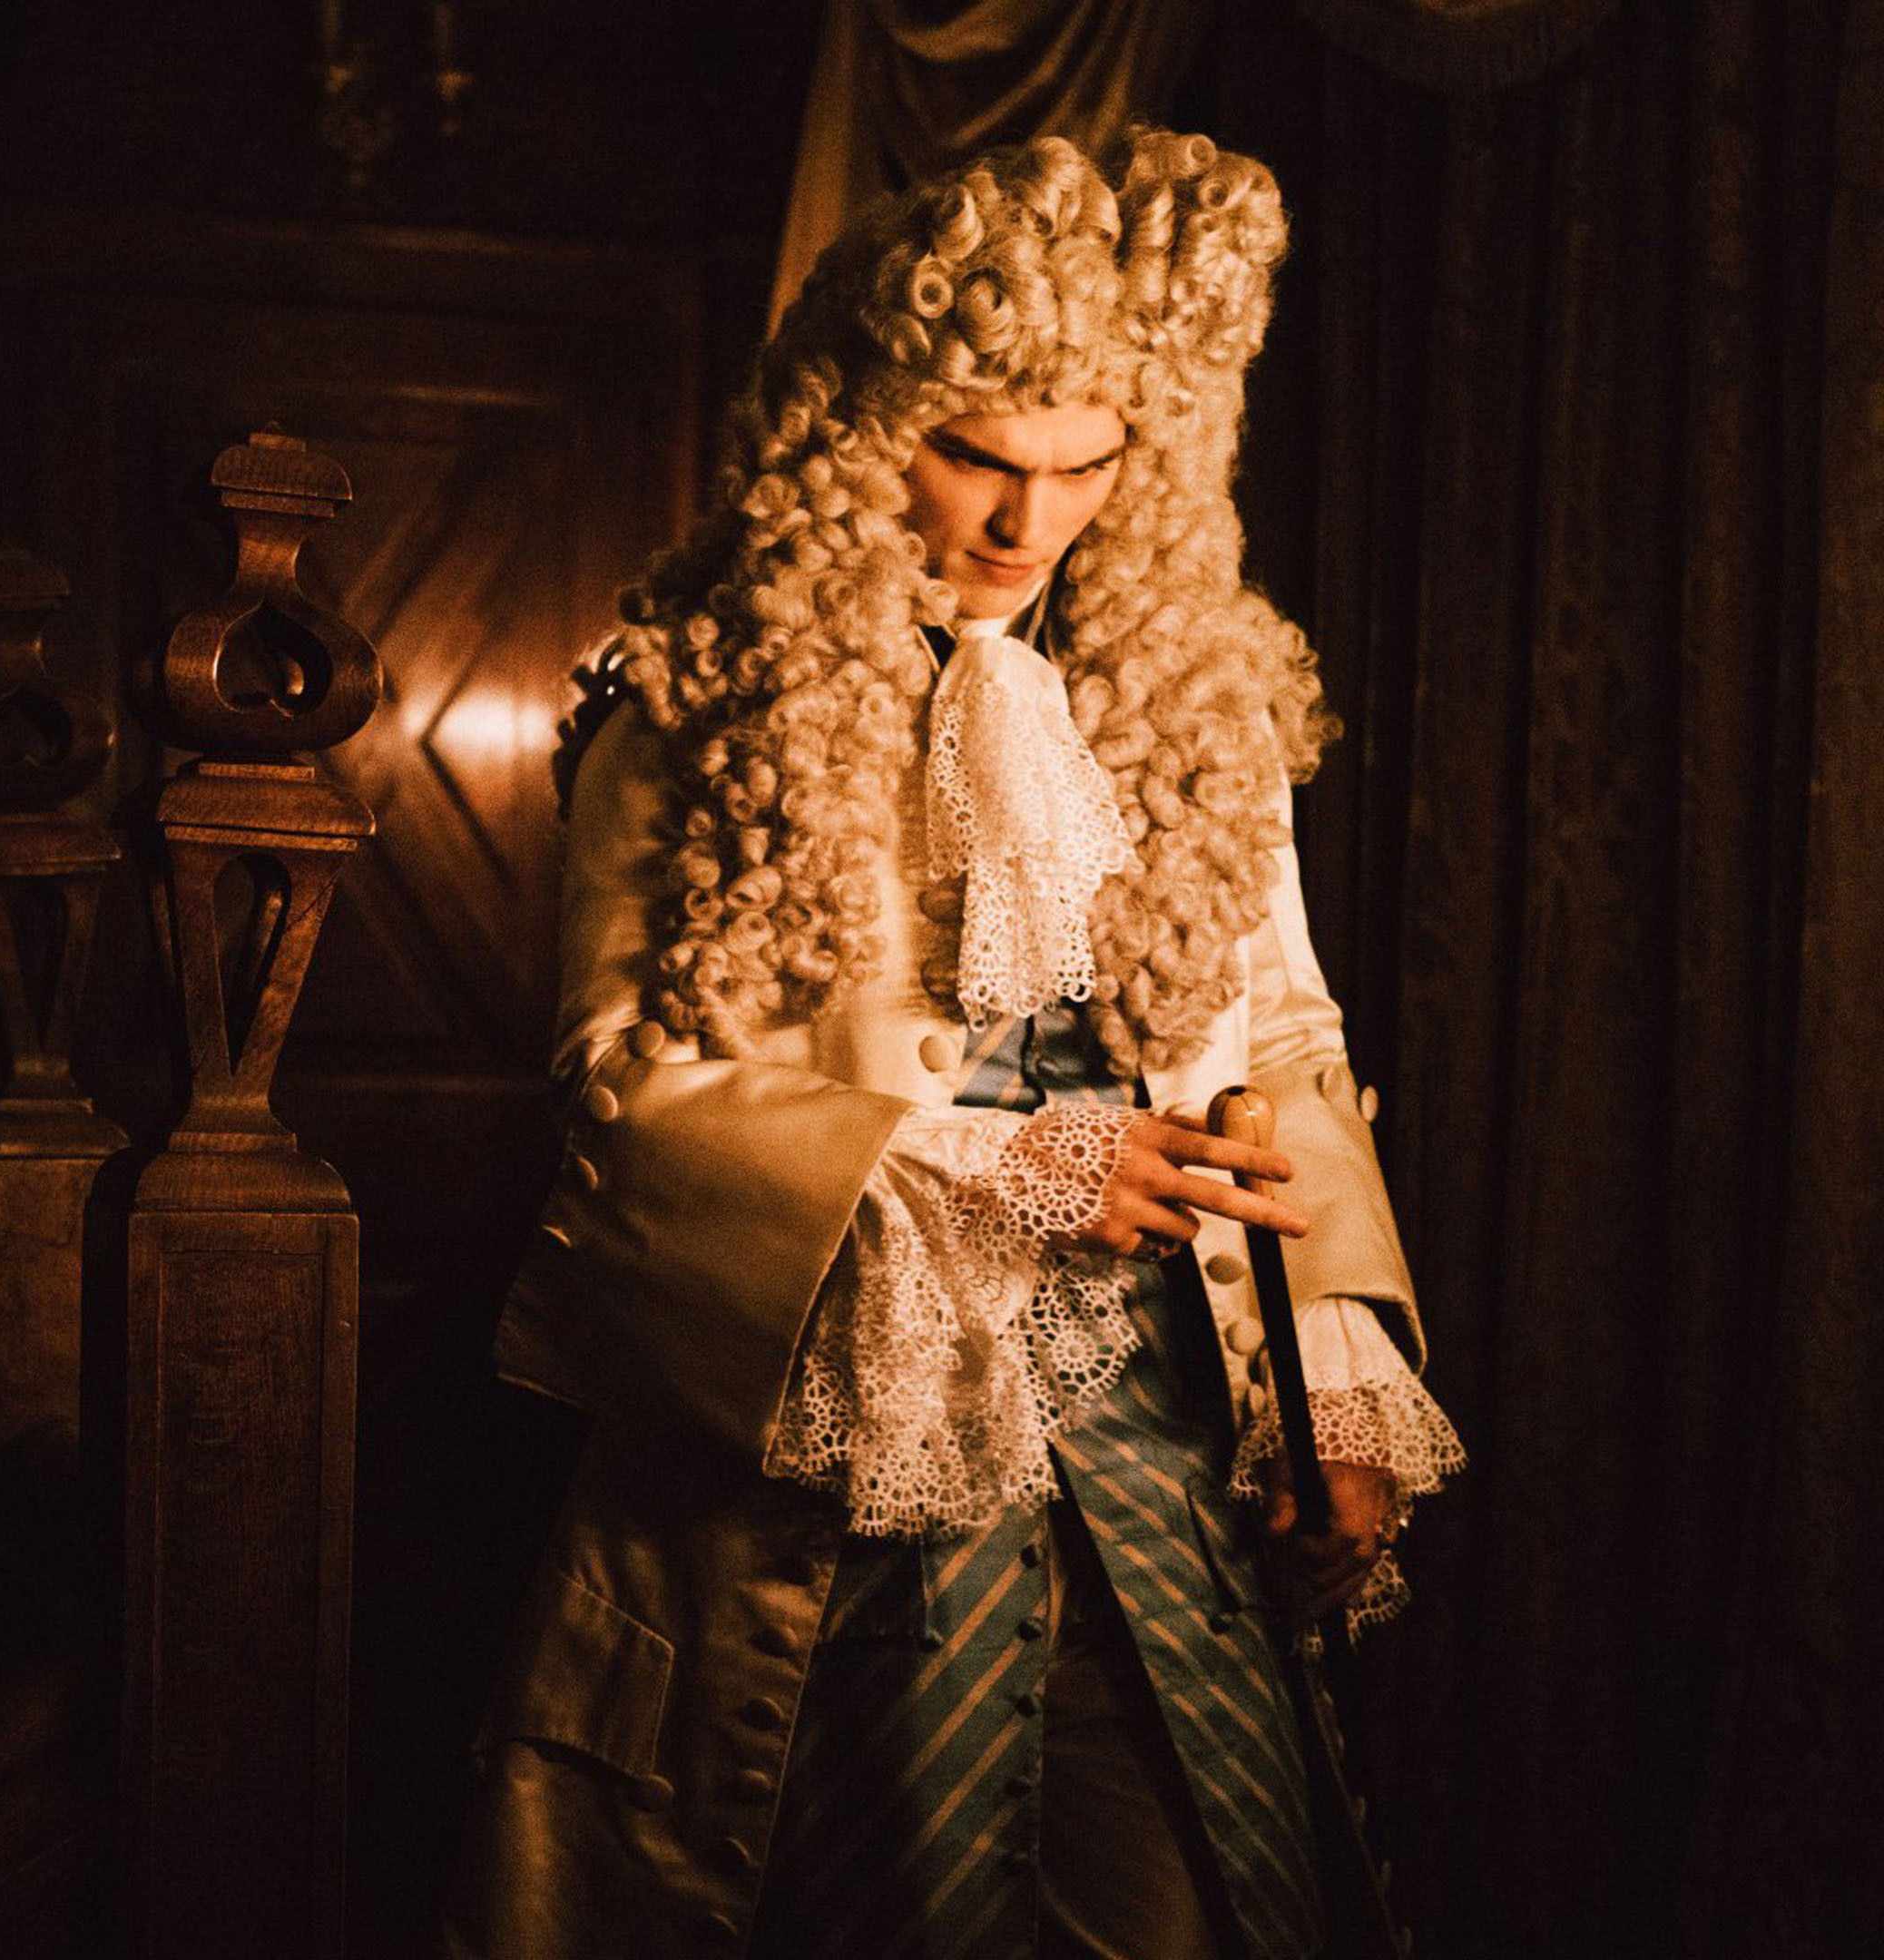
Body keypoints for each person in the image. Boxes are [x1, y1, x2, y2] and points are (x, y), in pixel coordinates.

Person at [446, 130, 1464, 1960]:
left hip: (1170, 1453)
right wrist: (1016, 1175)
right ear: (858, 427)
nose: (1026, 522)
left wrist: (1334, 1389)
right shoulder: (694, 696)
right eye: (978, 456)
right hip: (855, 1468)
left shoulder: (1197, 699)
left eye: (1085, 466)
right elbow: (619, 1092)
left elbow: (1290, 1048)